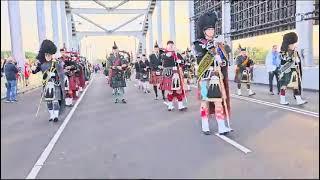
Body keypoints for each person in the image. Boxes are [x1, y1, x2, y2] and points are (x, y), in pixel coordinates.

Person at [193, 12, 232, 135]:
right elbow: (201, 58)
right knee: (205, 100)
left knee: (218, 101)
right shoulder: (198, 44)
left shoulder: (217, 44)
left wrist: (222, 56)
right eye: (208, 29)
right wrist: (212, 51)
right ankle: (205, 124)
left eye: (212, 29)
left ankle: (221, 126)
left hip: (216, 76)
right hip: (205, 76)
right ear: (204, 31)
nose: (211, 31)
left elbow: (224, 60)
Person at [32, 40, 65, 122]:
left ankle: (56, 116)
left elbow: (61, 74)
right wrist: (33, 69)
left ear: (51, 54)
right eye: (46, 54)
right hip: (46, 85)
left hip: (55, 84)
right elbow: (35, 71)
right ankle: (51, 115)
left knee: (55, 101)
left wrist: (55, 76)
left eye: (49, 54)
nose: (48, 56)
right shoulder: (41, 64)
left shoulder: (56, 63)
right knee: (49, 102)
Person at [278, 32, 307, 105]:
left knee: (295, 85)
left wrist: (297, 58)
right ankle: (282, 99)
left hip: (293, 71)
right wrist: (293, 57)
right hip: (285, 71)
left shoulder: (294, 52)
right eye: (292, 44)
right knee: (284, 86)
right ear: (288, 45)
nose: (293, 45)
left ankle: (299, 99)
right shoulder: (282, 52)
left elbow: (297, 61)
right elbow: (286, 60)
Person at [160, 40, 187, 111]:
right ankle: (170, 105)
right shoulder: (163, 55)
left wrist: (180, 61)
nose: (171, 46)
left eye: (172, 45)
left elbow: (184, 62)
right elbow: (162, 64)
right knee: (170, 91)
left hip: (176, 73)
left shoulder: (176, 54)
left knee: (178, 90)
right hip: (167, 74)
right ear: (167, 46)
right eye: (169, 45)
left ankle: (180, 106)